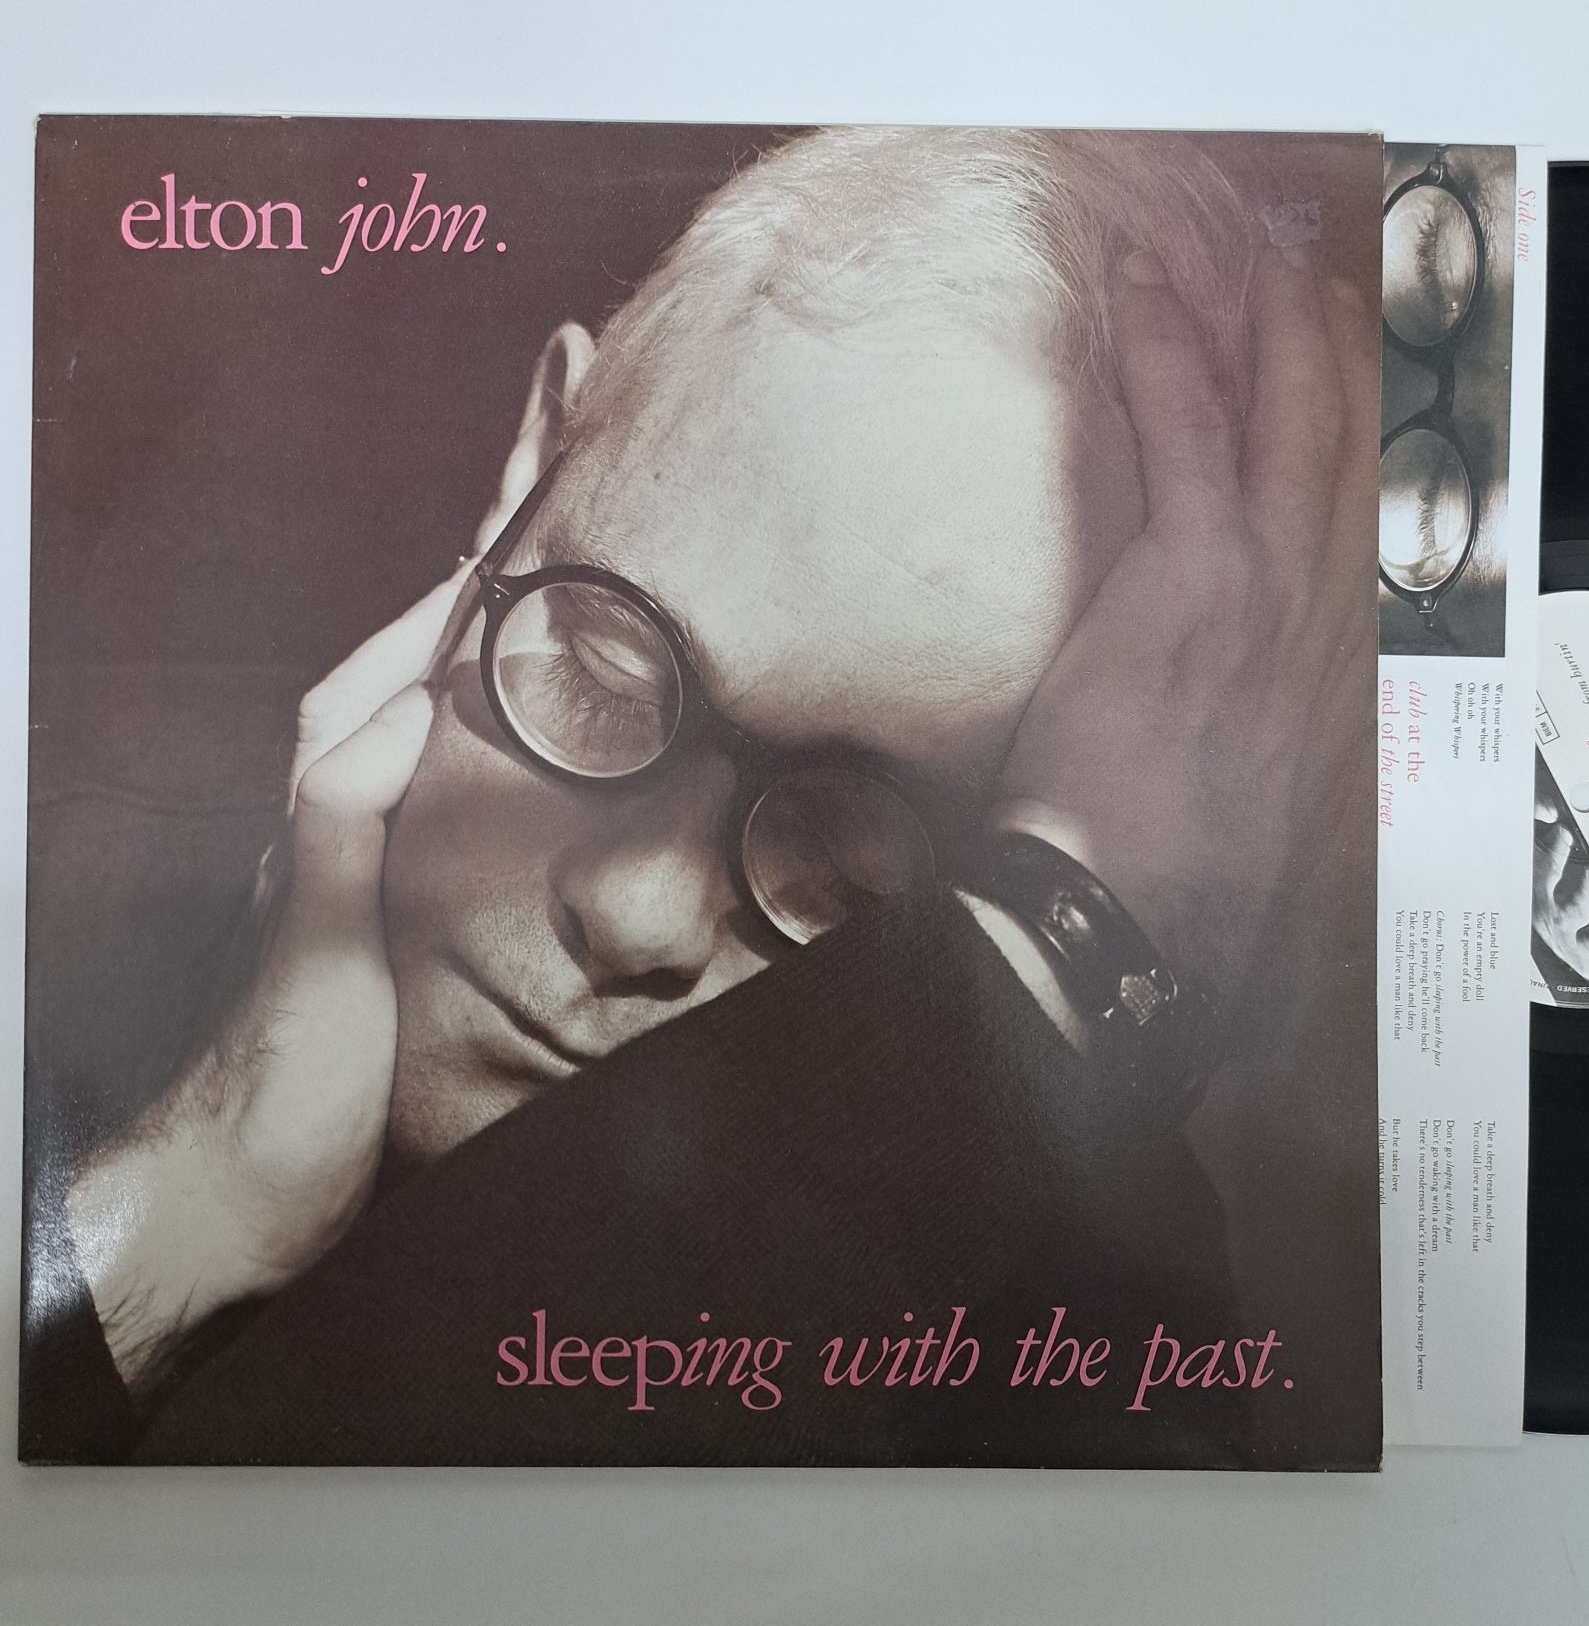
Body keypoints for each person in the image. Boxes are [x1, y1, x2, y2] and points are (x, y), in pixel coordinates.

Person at [23, 126, 1380, 1466]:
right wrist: (196, 1202)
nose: (634, 913)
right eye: (606, 678)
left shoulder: (1115, 1411)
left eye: (849, 869)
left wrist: (1065, 947)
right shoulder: (48, 975)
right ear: (534, 461)